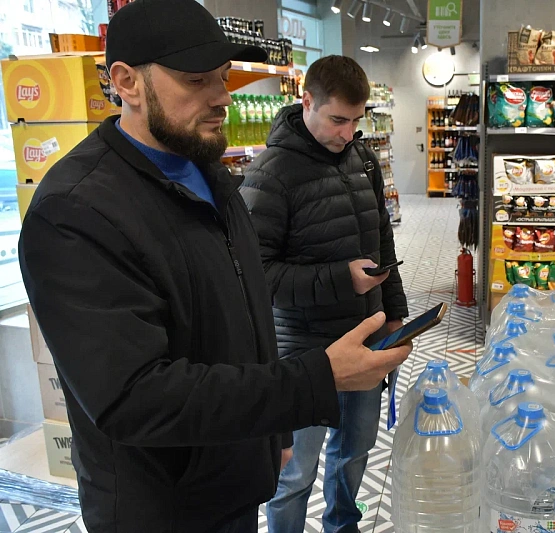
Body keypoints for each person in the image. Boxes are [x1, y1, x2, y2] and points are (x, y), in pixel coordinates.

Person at [17, 1, 410, 532]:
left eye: (223, 77)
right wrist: (312, 381)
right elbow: (133, 398)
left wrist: (270, 434)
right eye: (196, 79)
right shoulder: (75, 211)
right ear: (127, 82)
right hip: (163, 507)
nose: (223, 97)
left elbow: (248, 311)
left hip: (234, 477)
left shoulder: (208, 174)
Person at [240, 55, 408, 533]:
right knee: (294, 474)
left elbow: (383, 242)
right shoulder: (270, 174)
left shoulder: (363, 159)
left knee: (355, 452)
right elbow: (256, 277)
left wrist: (395, 313)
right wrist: (341, 279)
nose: (348, 133)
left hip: (368, 338)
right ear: (307, 101)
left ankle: (342, 525)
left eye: (356, 121)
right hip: (304, 354)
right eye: (338, 120)